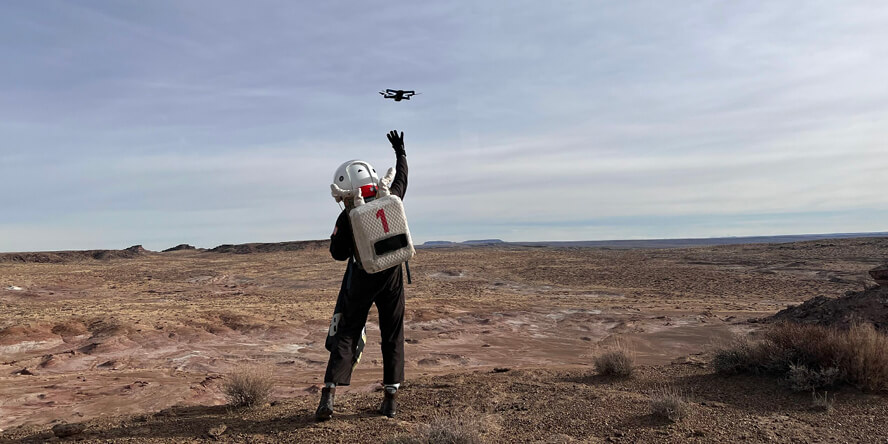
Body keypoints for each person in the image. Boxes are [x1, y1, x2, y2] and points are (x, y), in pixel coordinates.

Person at [316, 130, 408, 421]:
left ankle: (329, 394)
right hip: (392, 274)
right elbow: (402, 179)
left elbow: (338, 254)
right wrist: (401, 153)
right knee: (392, 333)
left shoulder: (347, 215)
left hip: (362, 276)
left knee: (348, 331)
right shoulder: (390, 197)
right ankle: (390, 400)